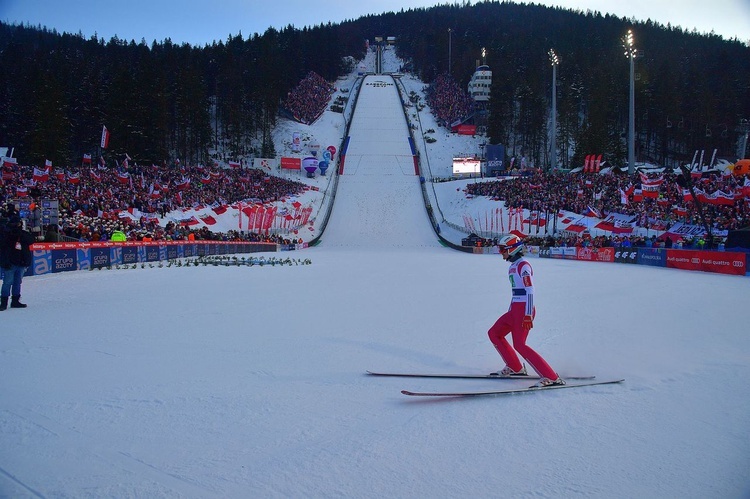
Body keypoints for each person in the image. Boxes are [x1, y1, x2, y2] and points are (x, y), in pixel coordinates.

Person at [487, 234, 565, 387]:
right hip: (515, 309)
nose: (500, 252)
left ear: (512, 249)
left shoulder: (523, 265)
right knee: (494, 333)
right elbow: (516, 292)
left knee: (520, 345)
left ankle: (551, 377)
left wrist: (528, 314)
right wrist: (511, 311)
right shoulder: (512, 266)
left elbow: (530, 290)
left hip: (524, 310)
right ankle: (515, 367)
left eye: (503, 249)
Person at [0, 215, 36, 310]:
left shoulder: (23, 234)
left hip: (21, 262)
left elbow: (31, 240)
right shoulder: (6, 234)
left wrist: (20, 233)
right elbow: (4, 246)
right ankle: (4, 302)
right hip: (11, 262)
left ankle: (15, 300)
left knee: (17, 282)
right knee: (7, 282)